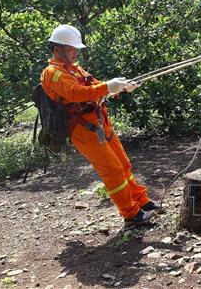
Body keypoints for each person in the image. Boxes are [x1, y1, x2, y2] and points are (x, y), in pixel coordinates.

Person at [41, 24, 159, 225]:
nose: (75, 52)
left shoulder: (73, 68)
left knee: (123, 164)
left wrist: (119, 87)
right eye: (71, 49)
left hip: (99, 123)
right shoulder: (53, 73)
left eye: (76, 49)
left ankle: (141, 201)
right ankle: (130, 214)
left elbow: (95, 87)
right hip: (83, 131)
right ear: (57, 47)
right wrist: (107, 86)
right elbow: (76, 93)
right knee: (112, 170)